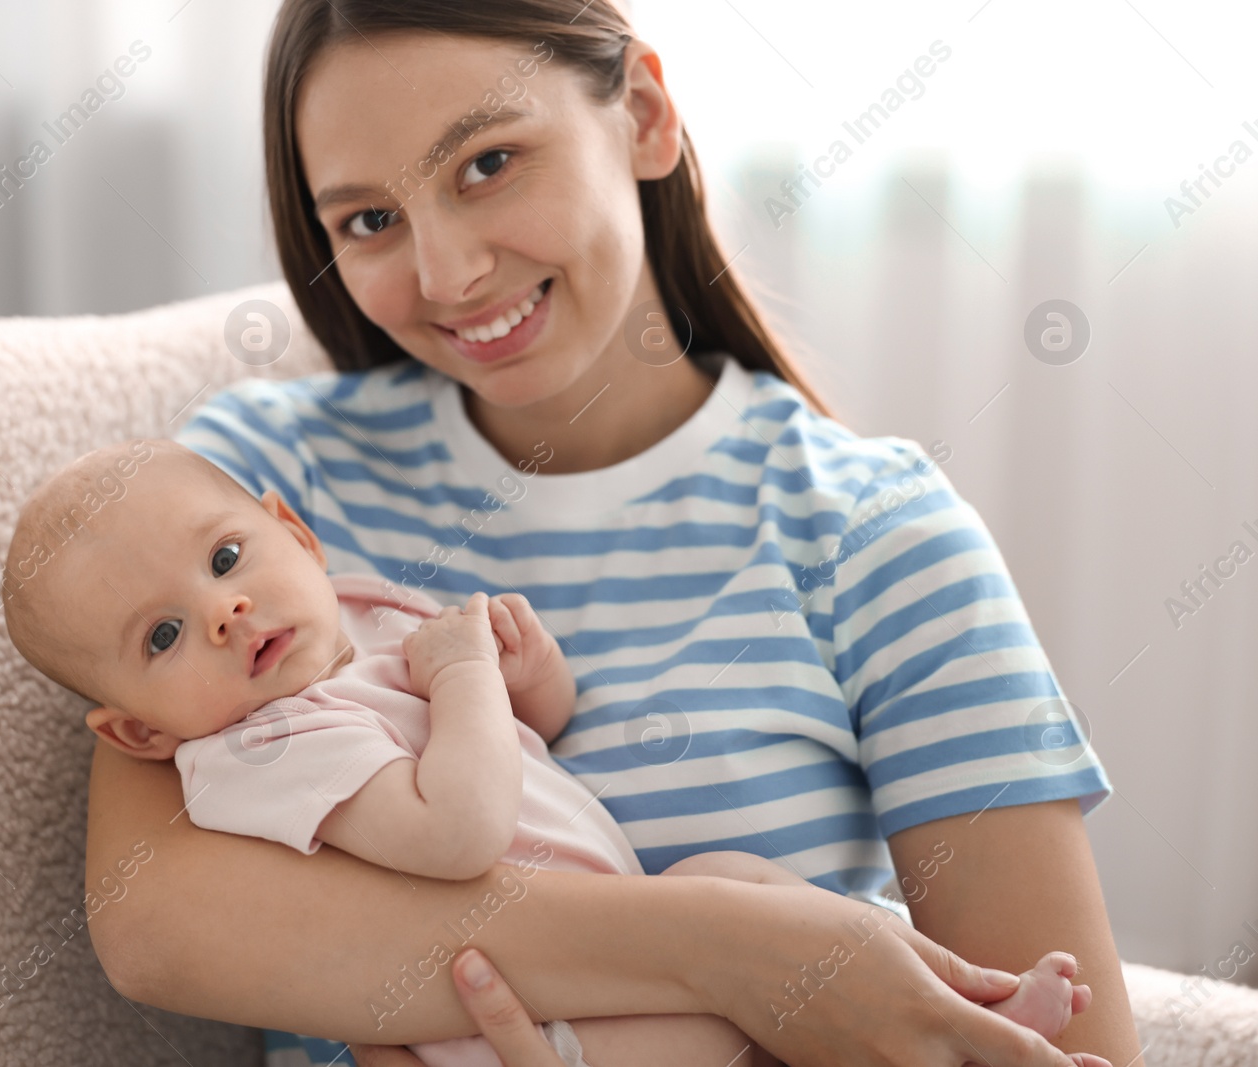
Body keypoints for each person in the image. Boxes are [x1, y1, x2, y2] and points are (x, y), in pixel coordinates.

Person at [78, 2, 1145, 1065]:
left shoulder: (873, 531)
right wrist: (732, 950)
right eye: (368, 220)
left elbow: (1053, 1037)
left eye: (489, 162)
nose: (447, 275)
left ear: (641, 113)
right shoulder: (251, 495)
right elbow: (153, 924)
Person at [5, 443, 1106, 1067]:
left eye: (226, 555)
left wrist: (531, 680)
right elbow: (458, 829)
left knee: (740, 891)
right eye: (160, 635)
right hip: (532, 1029)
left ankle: (965, 997)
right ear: (139, 732)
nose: (221, 608)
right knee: (741, 1008)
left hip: (606, 922)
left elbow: (541, 739)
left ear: (293, 529)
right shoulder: (266, 746)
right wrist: (468, 676)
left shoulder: (361, 620)